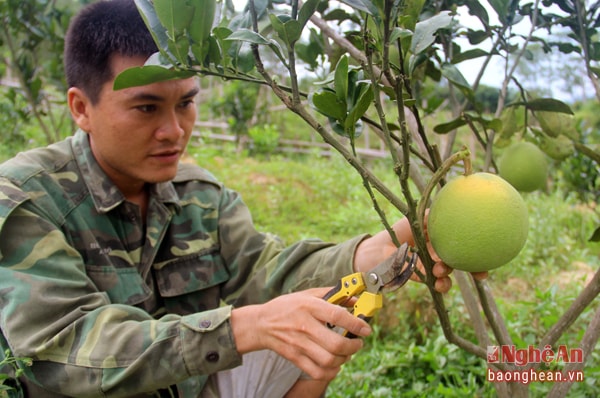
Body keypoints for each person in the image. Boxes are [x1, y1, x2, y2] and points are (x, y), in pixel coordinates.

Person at [0, 0, 480, 397]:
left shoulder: (198, 196)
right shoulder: (26, 198)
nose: (174, 131)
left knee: (320, 321)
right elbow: (63, 347)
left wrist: (372, 253)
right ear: (81, 108)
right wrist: (241, 329)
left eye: (186, 103)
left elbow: (267, 270)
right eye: (146, 108)